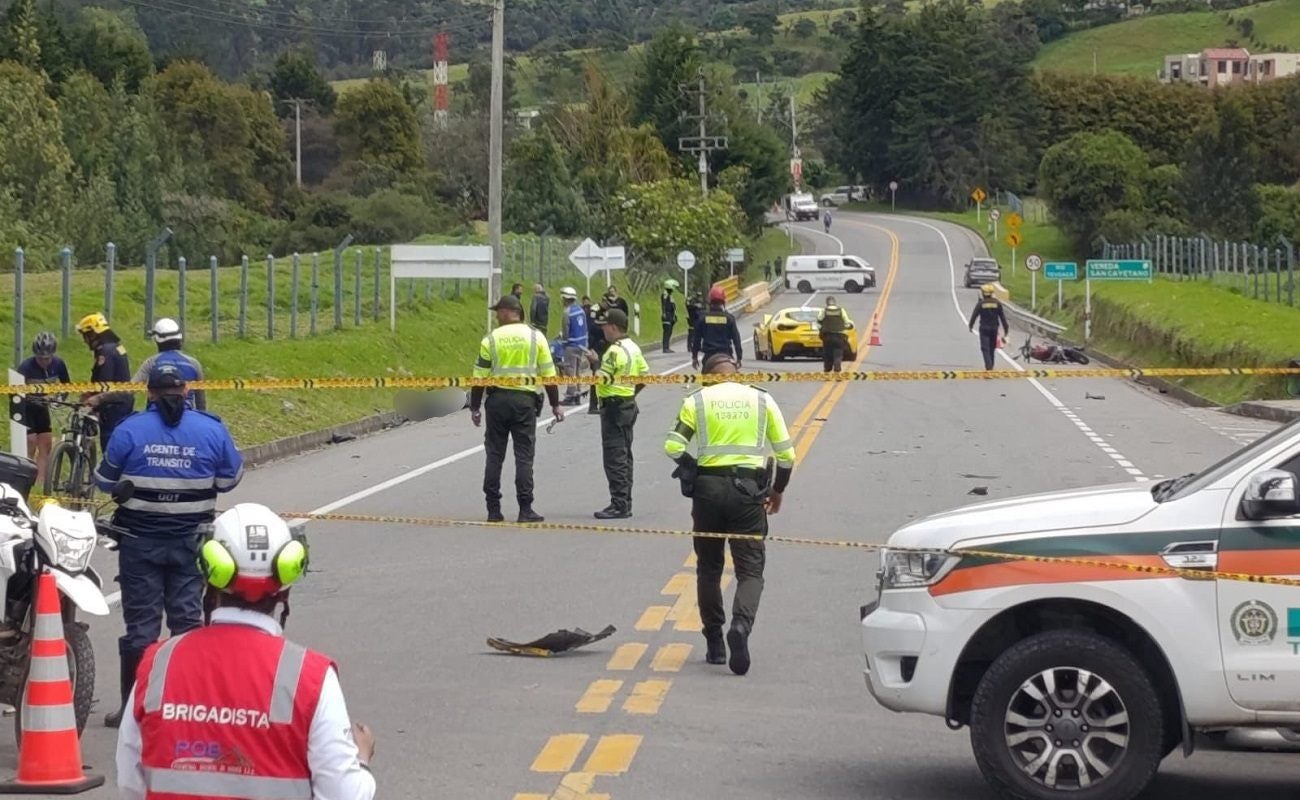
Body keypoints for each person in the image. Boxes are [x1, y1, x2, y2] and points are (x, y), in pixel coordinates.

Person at [116, 504, 377, 800]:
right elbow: (344, 795)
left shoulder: (157, 664)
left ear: (208, 576)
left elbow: (130, 783)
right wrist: (360, 760)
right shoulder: (312, 678)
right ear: (286, 585)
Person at [94, 363, 244, 728]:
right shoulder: (211, 429)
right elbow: (230, 479)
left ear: (149, 392)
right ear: (187, 391)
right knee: (187, 622)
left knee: (141, 628)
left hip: (139, 543)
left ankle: (133, 710)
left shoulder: (129, 430)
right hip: (191, 542)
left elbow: (104, 481)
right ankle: (185, 705)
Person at [664, 353, 796, 676]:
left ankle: (714, 643)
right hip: (748, 493)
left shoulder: (697, 401)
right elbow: (787, 455)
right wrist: (777, 490)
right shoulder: (762, 399)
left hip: (707, 493)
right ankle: (740, 626)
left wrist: (693, 468)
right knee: (750, 570)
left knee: (709, 568)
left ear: (707, 376)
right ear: (736, 371)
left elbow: (673, 446)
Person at [471, 295, 564, 523]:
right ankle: (525, 508)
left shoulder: (491, 339)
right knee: (524, 456)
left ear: (507, 312)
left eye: (498, 311)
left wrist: (475, 407)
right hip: (524, 402)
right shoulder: (535, 337)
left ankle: (493, 509)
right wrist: (555, 404)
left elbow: (479, 377)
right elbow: (549, 375)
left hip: (497, 402)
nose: (496, 316)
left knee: (494, 454)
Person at [593, 308, 648, 520]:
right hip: (627, 405)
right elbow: (644, 376)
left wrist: (594, 362)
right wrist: (630, 393)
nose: (603, 330)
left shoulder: (614, 351)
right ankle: (625, 501)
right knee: (625, 455)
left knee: (614, 457)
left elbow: (601, 378)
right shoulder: (633, 347)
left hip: (613, 408)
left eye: (605, 326)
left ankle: (619, 504)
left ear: (614, 327)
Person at [17, 332, 71, 487]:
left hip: (42, 408)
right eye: (40, 358)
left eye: (47, 358)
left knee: (46, 443)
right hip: (26, 408)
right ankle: (25, 477)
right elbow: (14, 392)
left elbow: (67, 385)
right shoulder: (26, 367)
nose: (44, 362)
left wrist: (58, 399)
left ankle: (40, 481)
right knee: (30, 442)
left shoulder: (58, 364)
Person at [76, 312, 135, 453]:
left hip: (112, 406)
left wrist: (91, 398)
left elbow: (103, 382)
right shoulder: (116, 347)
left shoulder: (105, 352)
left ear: (93, 334)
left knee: (109, 446)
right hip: (122, 402)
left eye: (85, 336)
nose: (85, 341)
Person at [133, 317, 207, 411]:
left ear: (157, 340)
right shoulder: (194, 364)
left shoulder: (151, 363)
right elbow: (201, 402)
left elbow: (130, 389)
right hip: (187, 413)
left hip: (156, 414)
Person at [691, 286, 743, 370]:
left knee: (705, 375)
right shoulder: (729, 318)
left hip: (709, 354)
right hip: (726, 353)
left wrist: (694, 357)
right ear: (723, 302)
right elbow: (737, 340)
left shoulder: (703, 319)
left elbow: (696, 340)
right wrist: (739, 358)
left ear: (710, 301)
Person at [968, 284, 1010, 371]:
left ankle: (989, 366)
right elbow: (1002, 317)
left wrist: (971, 326)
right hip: (994, 329)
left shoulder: (981, 304)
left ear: (983, 293)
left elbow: (974, 315)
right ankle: (991, 366)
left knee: (985, 348)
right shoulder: (997, 303)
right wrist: (1006, 329)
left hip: (984, 329)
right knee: (992, 348)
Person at [560, 286, 588, 406]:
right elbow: (585, 328)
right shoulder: (581, 310)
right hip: (581, 345)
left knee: (570, 370)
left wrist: (564, 342)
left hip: (571, 345)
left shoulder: (567, 312)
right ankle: (578, 394)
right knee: (577, 371)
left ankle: (571, 395)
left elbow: (565, 331)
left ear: (565, 299)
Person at [817, 297, 854, 373]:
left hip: (827, 336)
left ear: (827, 303)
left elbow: (819, 319)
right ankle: (837, 368)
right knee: (838, 353)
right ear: (835, 303)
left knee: (827, 353)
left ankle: (827, 369)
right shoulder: (841, 310)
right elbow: (847, 321)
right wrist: (849, 325)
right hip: (839, 336)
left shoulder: (824, 310)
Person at [660, 282, 678, 354]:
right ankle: (665, 348)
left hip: (670, 316)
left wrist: (674, 316)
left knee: (669, 332)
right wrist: (664, 313)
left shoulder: (670, 296)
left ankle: (667, 347)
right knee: (667, 332)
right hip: (667, 315)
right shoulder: (665, 295)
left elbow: (673, 306)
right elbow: (664, 305)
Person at [685, 290, 704, 356]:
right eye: (698, 296)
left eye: (700, 296)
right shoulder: (691, 300)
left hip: (698, 318)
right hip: (692, 318)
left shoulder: (700, 301)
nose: (699, 297)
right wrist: (695, 306)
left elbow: (702, 308)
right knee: (691, 332)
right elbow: (688, 306)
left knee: (699, 333)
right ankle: (689, 346)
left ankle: (698, 346)